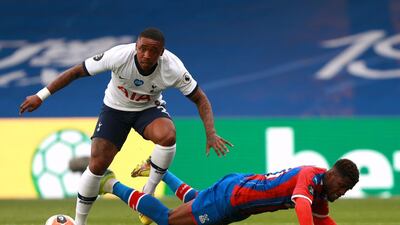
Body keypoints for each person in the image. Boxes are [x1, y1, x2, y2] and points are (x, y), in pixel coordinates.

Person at [19, 27, 233, 225]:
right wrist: (41, 96)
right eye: (143, 49)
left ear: (162, 52)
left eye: (153, 51)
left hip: (147, 109)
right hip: (114, 110)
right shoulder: (118, 56)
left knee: (168, 136)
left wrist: (211, 132)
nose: (147, 55)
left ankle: (147, 194)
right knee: (96, 166)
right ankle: (80, 222)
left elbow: (200, 98)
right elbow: (76, 71)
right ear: (136, 46)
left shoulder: (173, 68)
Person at [99, 158, 359, 225]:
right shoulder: (309, 177)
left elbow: (324, 220)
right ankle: (110, 184)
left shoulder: (321, 190)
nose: (344, 192)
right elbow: (302, 206)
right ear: (334, 175)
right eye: (344, 186)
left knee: (197, 201)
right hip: (232, 199)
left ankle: (160, 171)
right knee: (168, 220)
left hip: (237, 192)